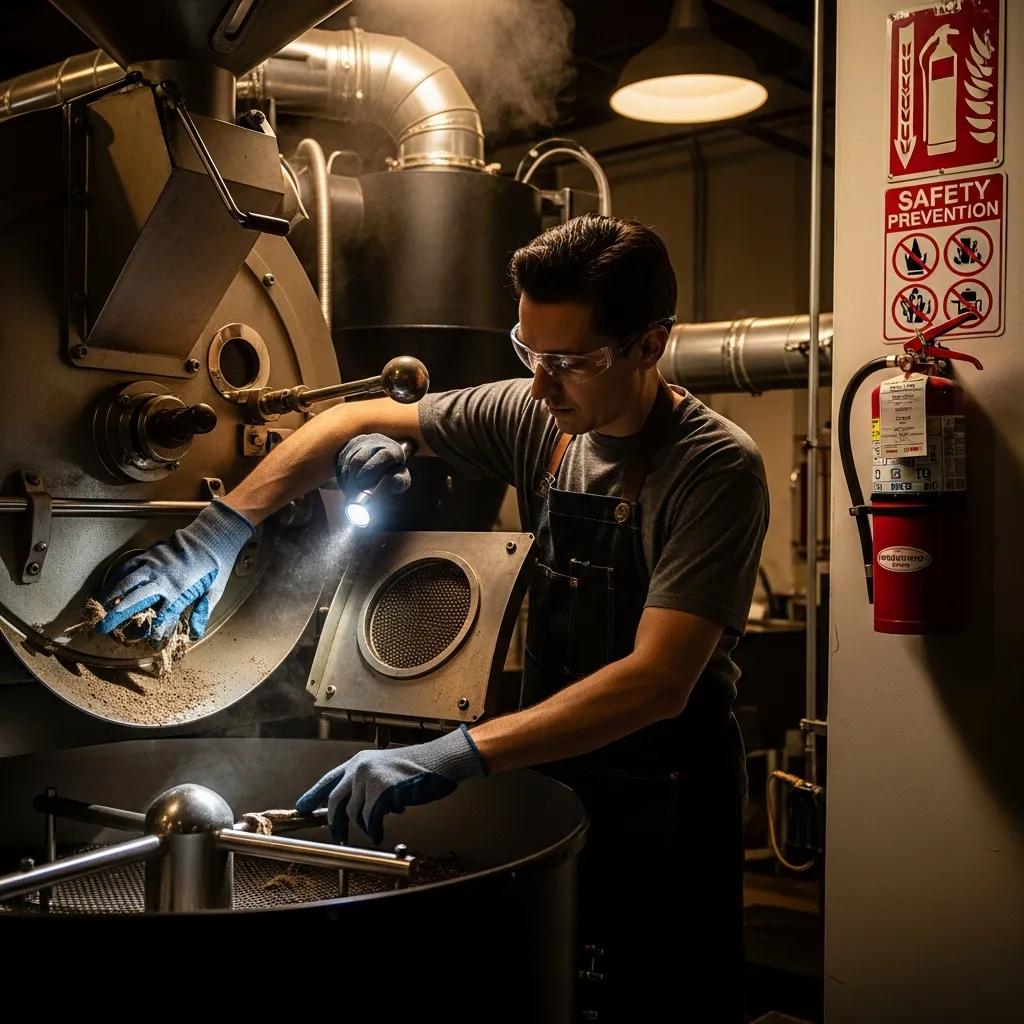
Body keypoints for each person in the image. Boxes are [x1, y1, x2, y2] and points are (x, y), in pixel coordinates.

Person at [97, 214, 767, 1020]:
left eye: (570, 363)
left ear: (650, 344)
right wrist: (219, 533)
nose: (542, 385)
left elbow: (658, 681)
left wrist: (455, 753)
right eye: (528, 353)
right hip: (559, 772)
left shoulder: (714, 466)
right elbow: (348, 418)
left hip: (666, 797)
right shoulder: (537, 416)